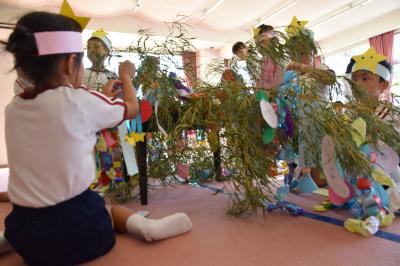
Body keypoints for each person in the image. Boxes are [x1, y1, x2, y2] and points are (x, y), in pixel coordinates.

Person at [0, 12, 192, 265]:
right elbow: (131, 108)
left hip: (24, 228)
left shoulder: (14, 108)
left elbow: (68, 117)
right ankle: (150, 229)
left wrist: (101, 95)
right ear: (70, 63)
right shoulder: (79, 100)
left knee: (34, 219)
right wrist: (126, 76)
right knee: (111, 210)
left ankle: (8, 238)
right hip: (76, 230)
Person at [254, 24, 284, 90]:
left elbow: (278, 85)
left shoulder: (278, 58)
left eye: (262, 41)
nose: (258, 46)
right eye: (257, 43)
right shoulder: (263, 60)